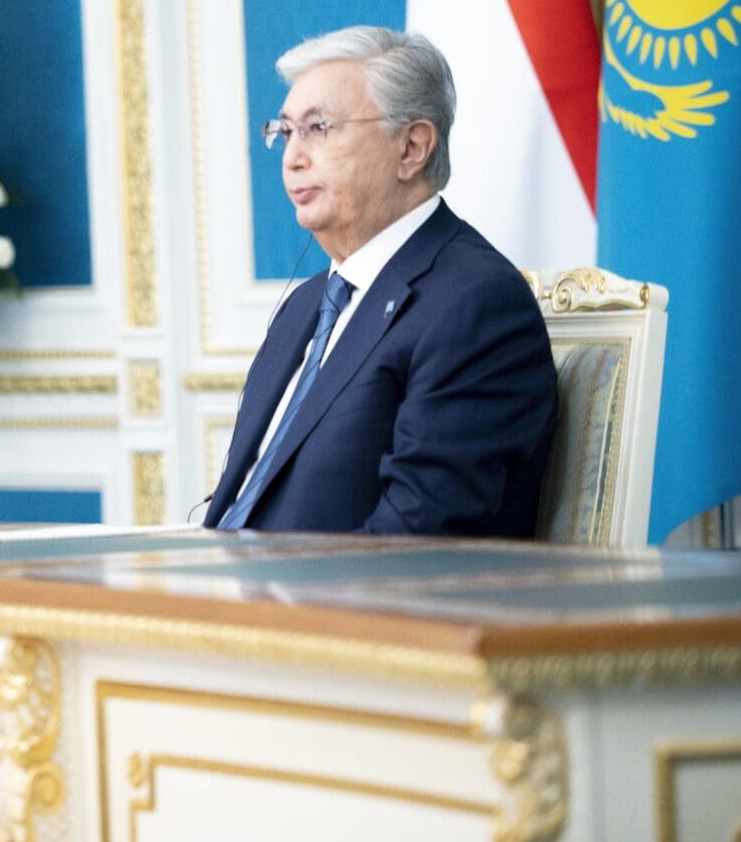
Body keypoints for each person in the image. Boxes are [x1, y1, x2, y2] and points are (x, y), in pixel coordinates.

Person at [205, 27, 558, 536]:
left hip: (335, 607)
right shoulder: (306, 306)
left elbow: (414, 538)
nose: (291, 158)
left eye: (318, 128)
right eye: (285, 131)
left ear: (412, 148)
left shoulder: (476, 306)